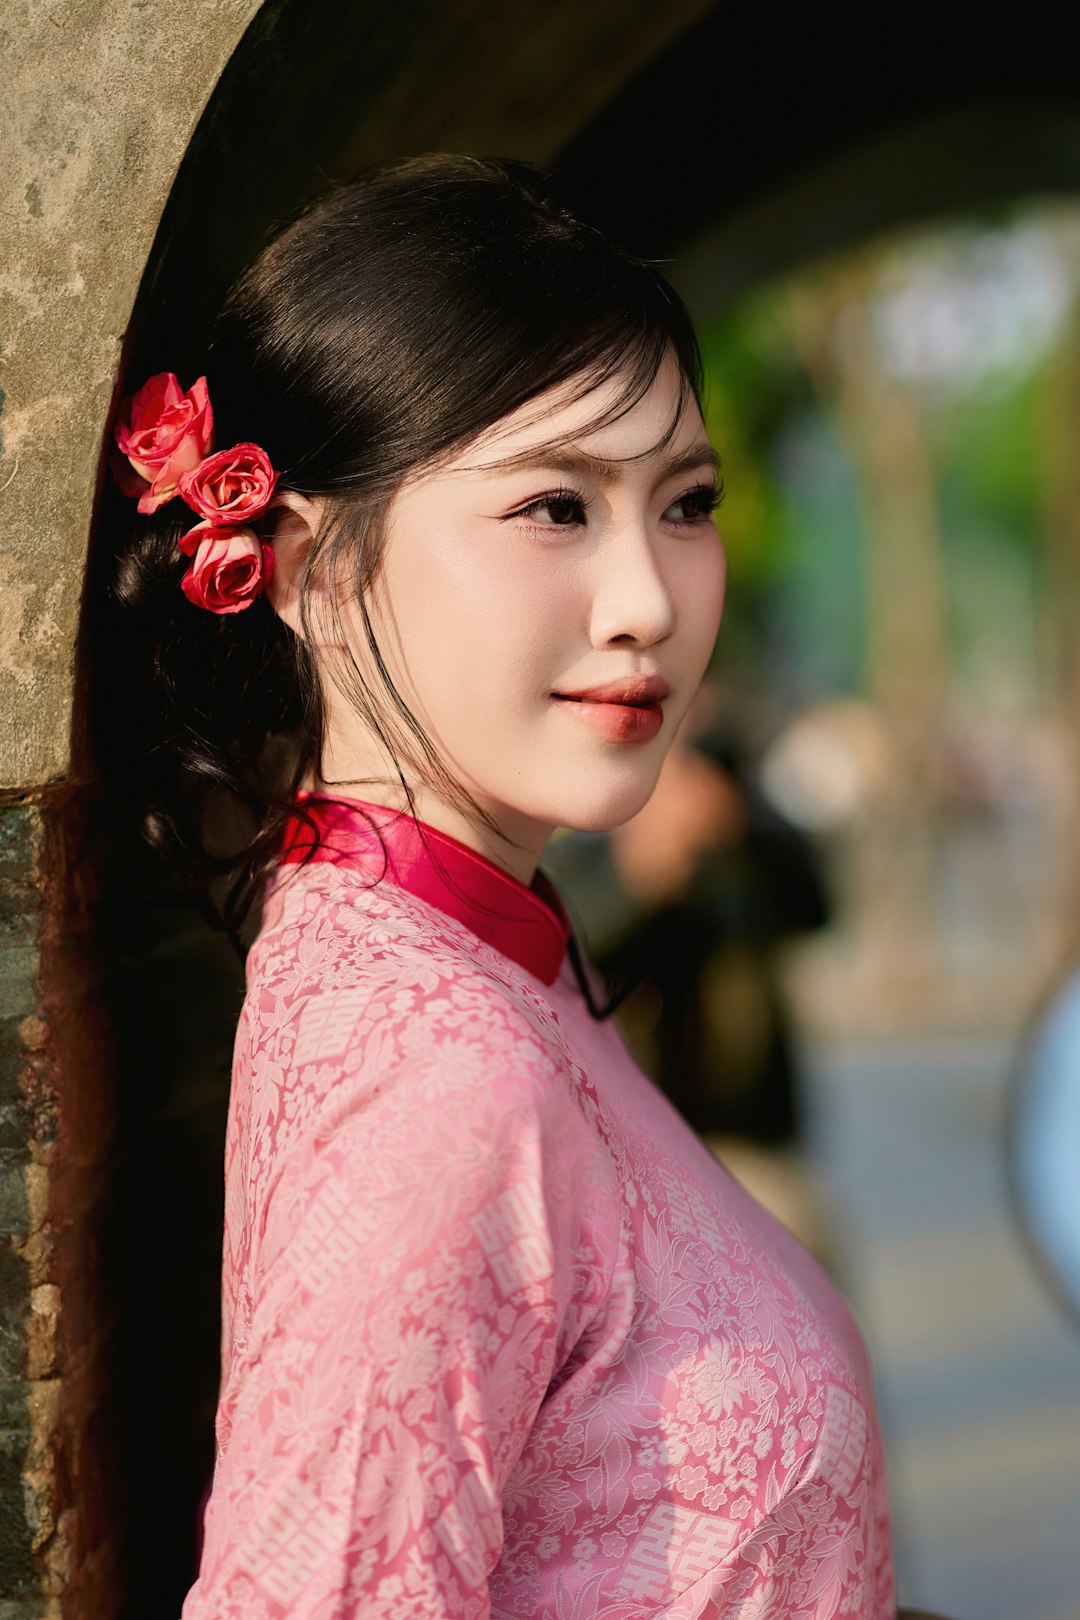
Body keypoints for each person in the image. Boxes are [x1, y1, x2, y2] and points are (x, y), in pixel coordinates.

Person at [103, 154, 942, 1619]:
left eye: (686, 502)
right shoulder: (434, 1070)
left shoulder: (469, 961)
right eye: (558, 506)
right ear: (304, 567)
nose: (650, 602)